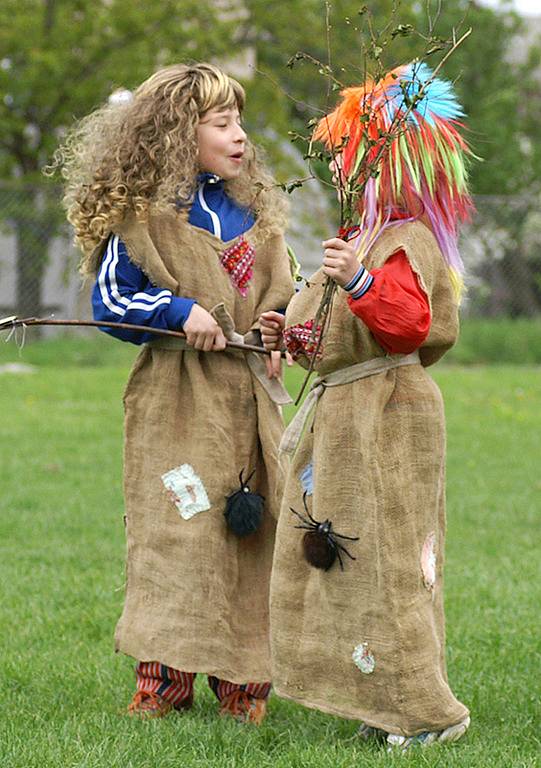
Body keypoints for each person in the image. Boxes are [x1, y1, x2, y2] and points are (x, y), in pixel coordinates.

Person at [54, 63, 295, 722]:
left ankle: (244, 682)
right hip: (177, 403)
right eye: (222, 124)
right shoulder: (144, 217)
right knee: (179, 529)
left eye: (238, 122)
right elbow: (110, 300)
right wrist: (175, 311)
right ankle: (164, 680)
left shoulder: (253, 214)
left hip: (246, 403)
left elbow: (283, 290)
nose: (239, 136)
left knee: (252, 533)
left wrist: (276, 325)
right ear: (176, 134)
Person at [260, 63, 473, 750]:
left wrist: (355, 278)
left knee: (386, 555)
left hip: (388, 413)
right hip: (346, 414)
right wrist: (285, 334)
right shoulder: (364, 237)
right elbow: (330, 335)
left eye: (359, 154)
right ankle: (378, 691)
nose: (347, 167)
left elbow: (405, 324)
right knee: (351, 557)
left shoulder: (405, 243)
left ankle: (425, 709)